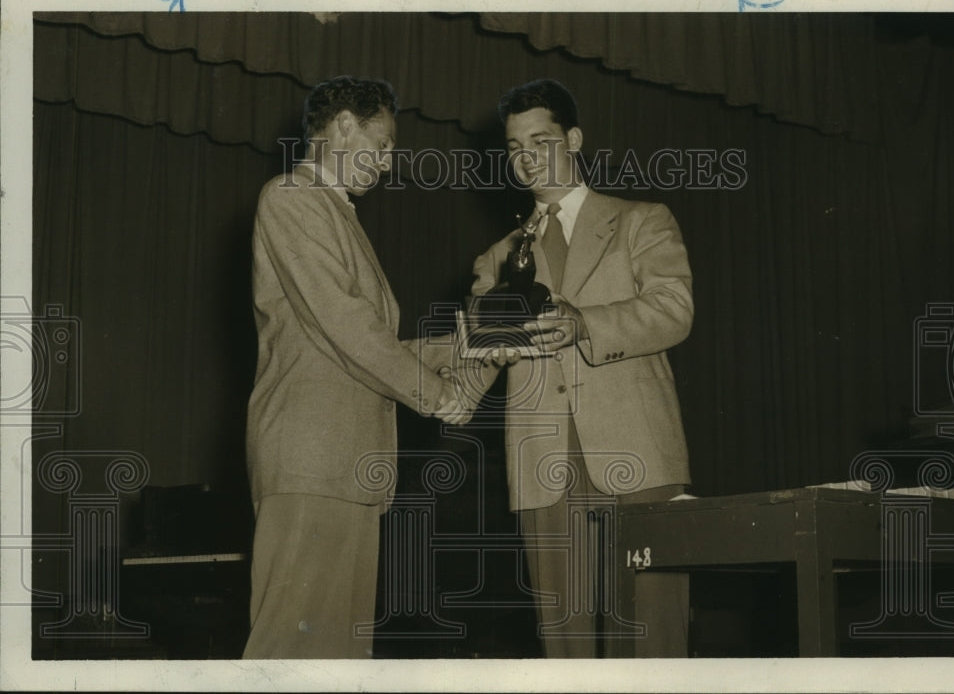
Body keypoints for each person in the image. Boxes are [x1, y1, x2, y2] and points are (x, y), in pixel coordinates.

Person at [243, 76, 469, 659]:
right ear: (344, 125)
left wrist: (464, 346)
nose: (388, 163)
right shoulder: (292, 197)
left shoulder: (336, 214)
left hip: (346, 467)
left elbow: (359, 347)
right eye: (385, 143)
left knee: (339, 657)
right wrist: (437, 394)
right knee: (287, 654)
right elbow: (346, 327)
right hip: (312, 460)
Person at [469, 78, 694, 658]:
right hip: (543, 462)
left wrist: (585, 323)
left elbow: (674, 311)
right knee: (565, 643)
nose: (526, 158)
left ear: (573, 139)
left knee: (651, 633)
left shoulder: (642, 220)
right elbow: (475, 352)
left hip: (637, 451)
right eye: (515, 148)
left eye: (540, 140)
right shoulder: (497, 258)